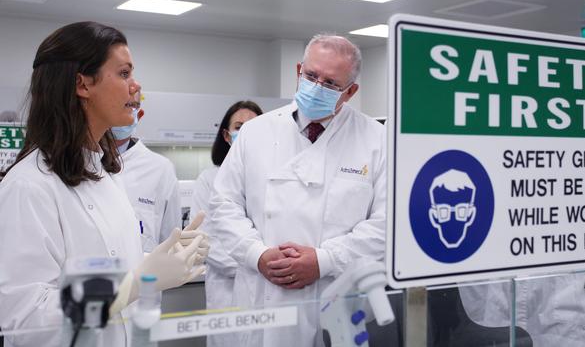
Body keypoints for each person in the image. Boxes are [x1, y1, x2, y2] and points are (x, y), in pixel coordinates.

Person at [0, 21, 206, 347]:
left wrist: (163, 259)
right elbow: (26, 322)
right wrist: (133, 284)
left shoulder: (107, 176)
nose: (135, 87)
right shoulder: (29, 187)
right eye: (124, 74)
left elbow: (113, 266)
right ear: (82, 84)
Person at [208, 34, 386, 346]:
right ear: (298, 70)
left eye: (330, 83)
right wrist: (258, 255)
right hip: (262, 295)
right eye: (311, 76)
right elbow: (224, 206)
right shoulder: (255, 132)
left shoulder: (377, 139)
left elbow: (387, 225)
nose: (317, 87)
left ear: (351, 91)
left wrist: (324, 261)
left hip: (337, 300)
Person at [192, 100, 262, 347]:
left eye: (253, 126)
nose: (245, 132)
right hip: (226, 288)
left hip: (265, 291)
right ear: (226, 134)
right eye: (238, 126)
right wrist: (256, 263)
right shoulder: (209, 179)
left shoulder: (273, 180)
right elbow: (205, 240)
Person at [113, 91, 182, 253]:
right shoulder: (80, 161)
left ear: (139, 115)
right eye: (117, 105)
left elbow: (171, 241)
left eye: (130, 106)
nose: (122, 112)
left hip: (145, 276)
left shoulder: (161, 169)